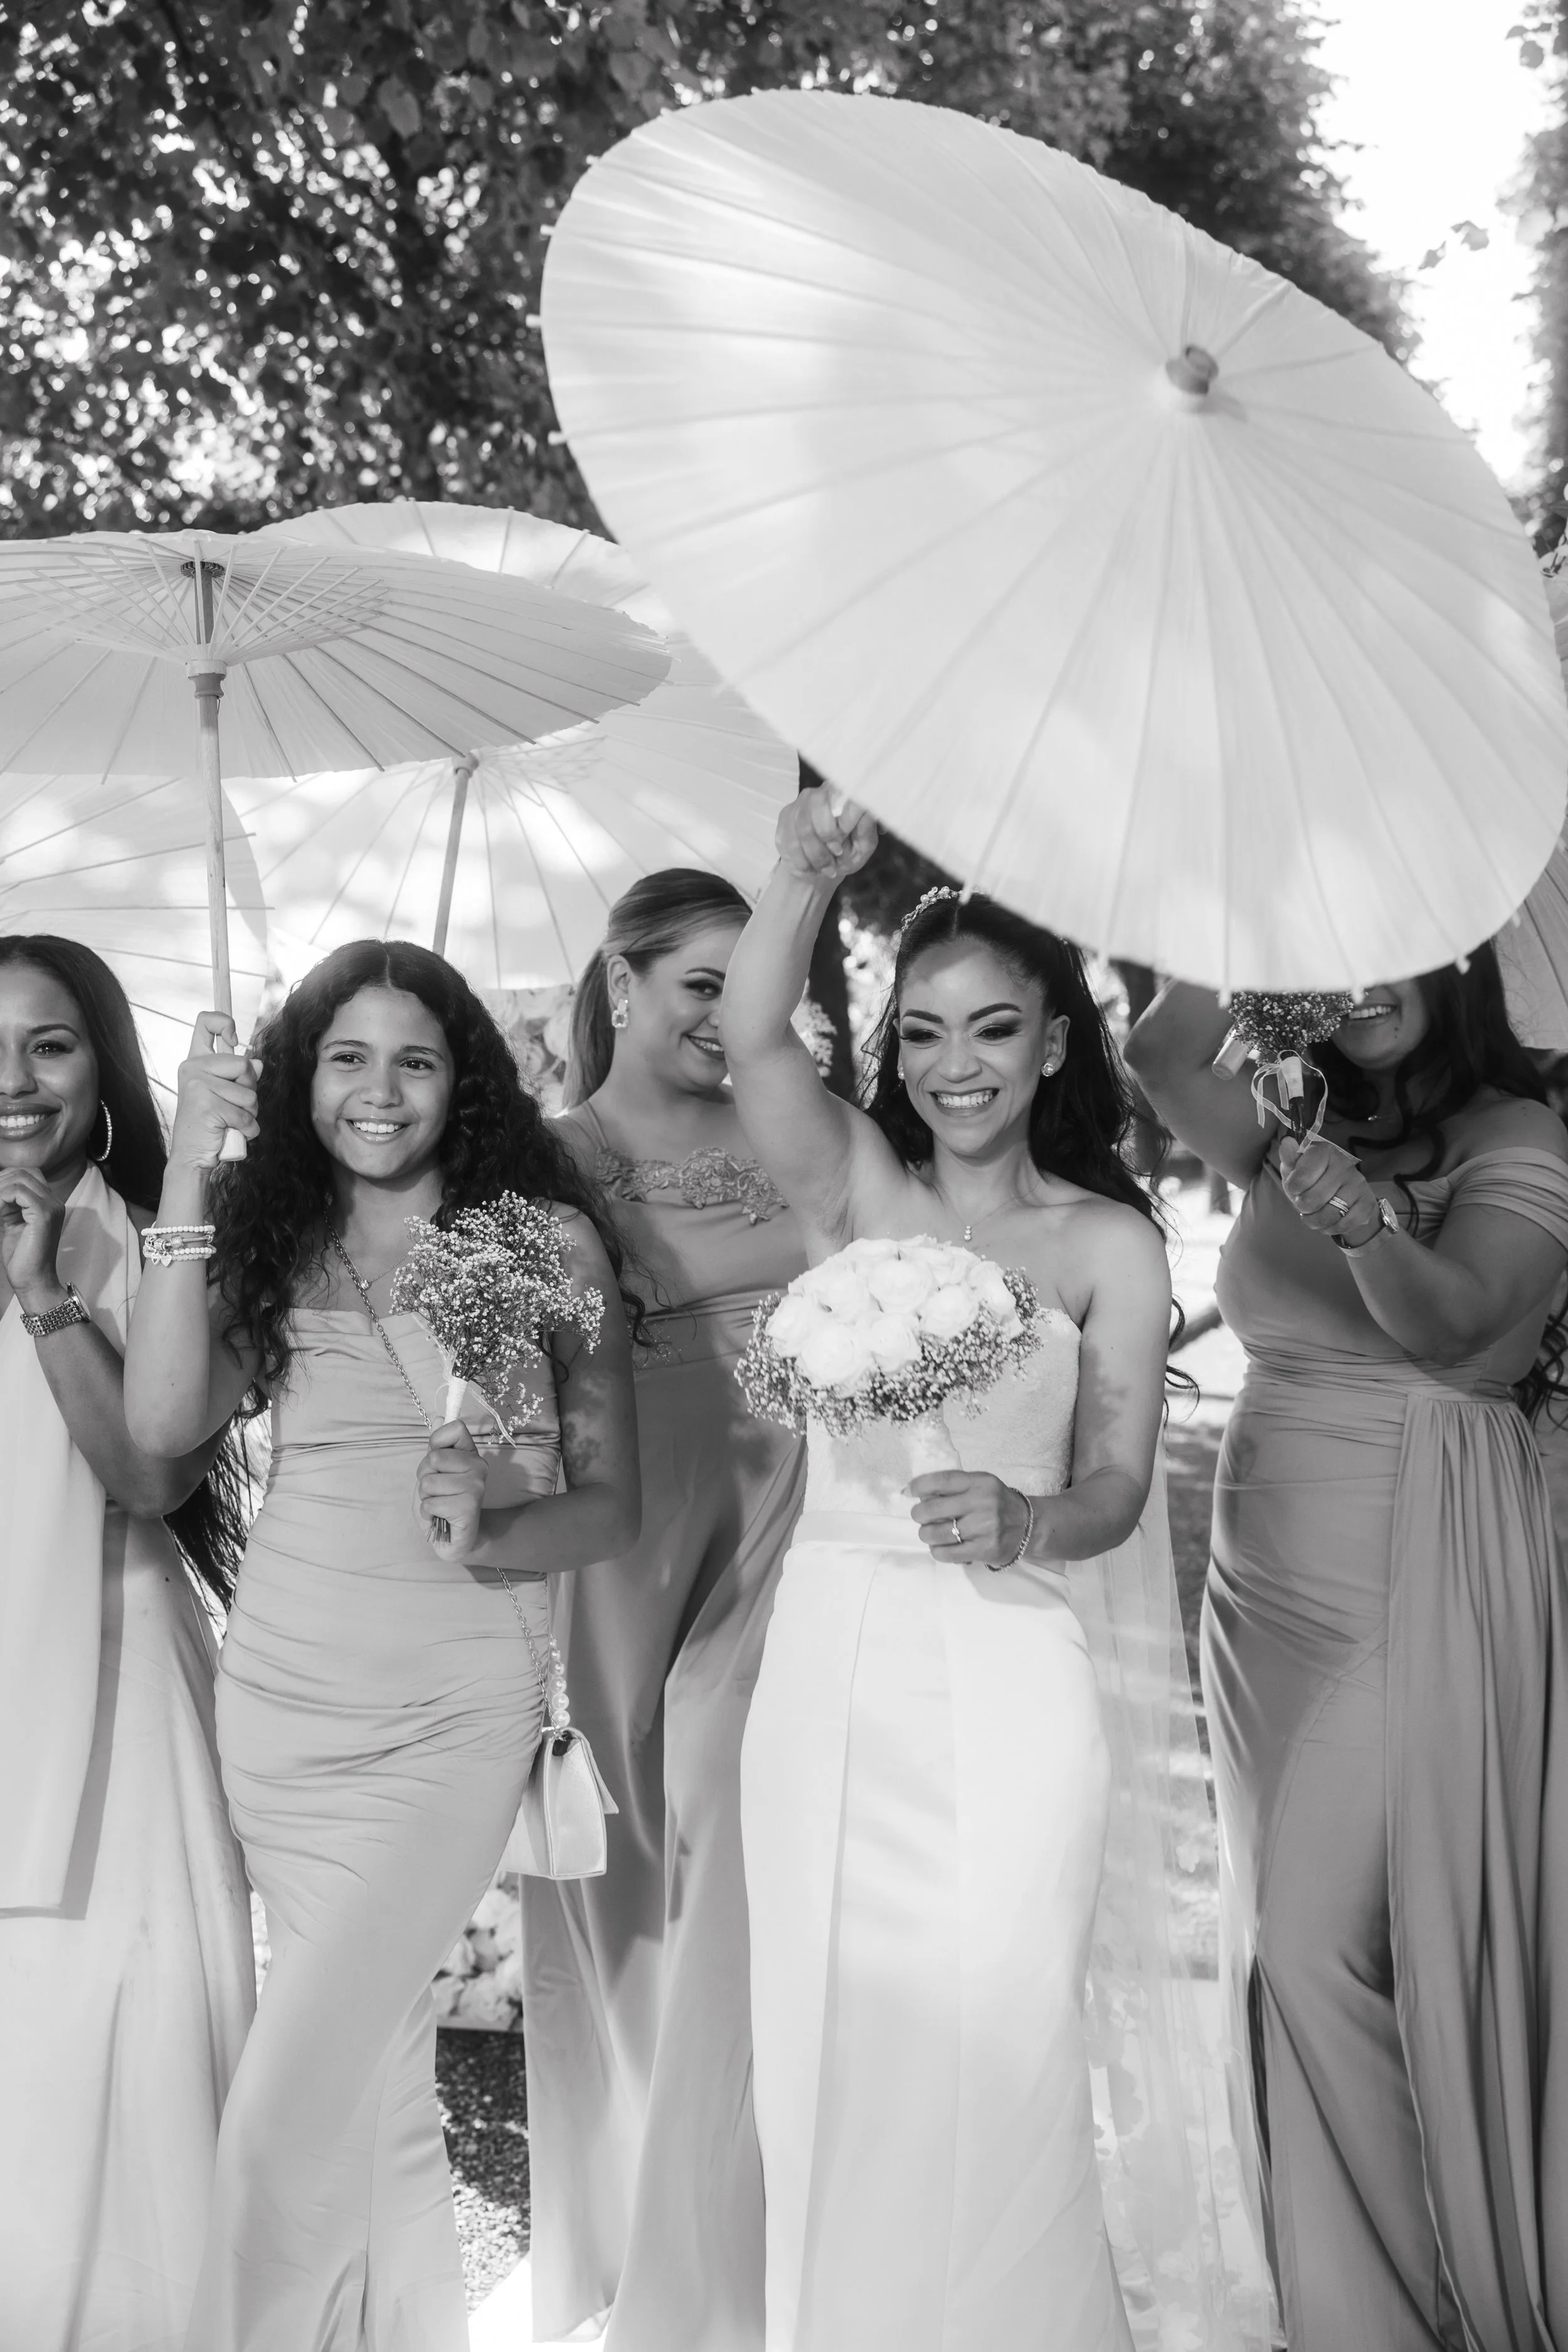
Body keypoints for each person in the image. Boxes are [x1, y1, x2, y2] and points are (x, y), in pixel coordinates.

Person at [718, 794, 1261, 2352]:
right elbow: (759, 1038)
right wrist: (802, 876)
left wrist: (1026, 1526)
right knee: (832, 2037)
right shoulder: (852, 1196)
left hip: (1015, 1667)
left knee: (1000, 2046)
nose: (957, 1064)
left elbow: (1111, 1488)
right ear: (897, 1053)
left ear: (1048, 1049)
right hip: (833, 1664)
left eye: (995, 1030)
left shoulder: (1108, 1248)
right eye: (930, 1032)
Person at [121, 938, 640, 2352]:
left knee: (282, 2122)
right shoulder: (272, 1234)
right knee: (378, 2085)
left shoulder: (540, 1244)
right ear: (300, 1078)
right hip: (281, 1707)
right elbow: (164, 1422)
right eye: (346, 1056)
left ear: (462, 1077)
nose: (379, 1089)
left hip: (450, 1713)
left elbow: (608, 1507)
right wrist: (184, 1165)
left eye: (414, 1058)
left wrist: (490, 1531)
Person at [1126, 961, 1568, 2351]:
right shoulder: (1285, 1115)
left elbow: (1454, 1327)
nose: (1367, 978)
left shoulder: (1520, 1135)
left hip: (1419, 1549)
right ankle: (1353, 2304)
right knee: (1285, 1940)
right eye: (1342, 945)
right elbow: (1156, 1052)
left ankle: (1400, 2316)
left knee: (1318, 1944)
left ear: (1458, 962)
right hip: (1263, 1582)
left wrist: (1370, 1222)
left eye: (1398, 945)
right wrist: (1252, 900)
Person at [521, 869, 808, 2349]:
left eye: (748, 986)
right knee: (625, 1873)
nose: (728, 1015)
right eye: (701, 983)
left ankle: (743, 2235)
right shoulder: (546, 1160)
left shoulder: (797, 1128)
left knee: (749, 1841)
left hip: (796, 1531)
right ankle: (635, 2237)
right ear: (621, 984)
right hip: (631, 1535)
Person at [0, 934, 255, 2352]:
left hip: (109, 1685)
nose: (15, 1082)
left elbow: (152, 1476)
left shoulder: (157, 1236)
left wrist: (41, 1292)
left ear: (102, 1065)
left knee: (116, 2049)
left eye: (49, 1044)